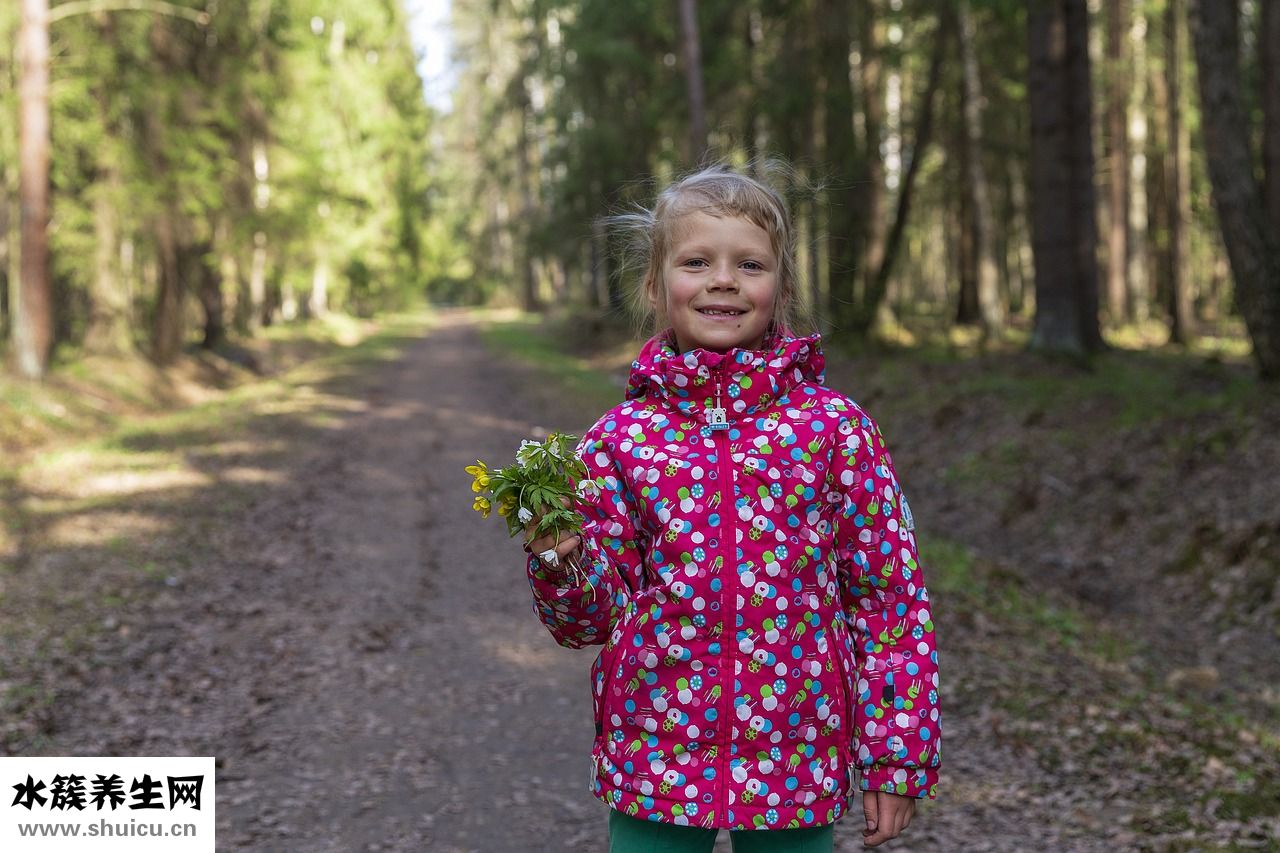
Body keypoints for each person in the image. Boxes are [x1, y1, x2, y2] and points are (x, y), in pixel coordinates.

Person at [522, 163, 941, 852]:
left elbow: (888, 600)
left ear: (780, 287)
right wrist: (558, 556)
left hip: (795, 754)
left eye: (749, 263)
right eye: (697, 261)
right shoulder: (621, 440)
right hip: (655, 752)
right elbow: (590, 620)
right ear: (656, 287)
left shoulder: (833, 429)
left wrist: (896, 755)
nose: (724, 280)